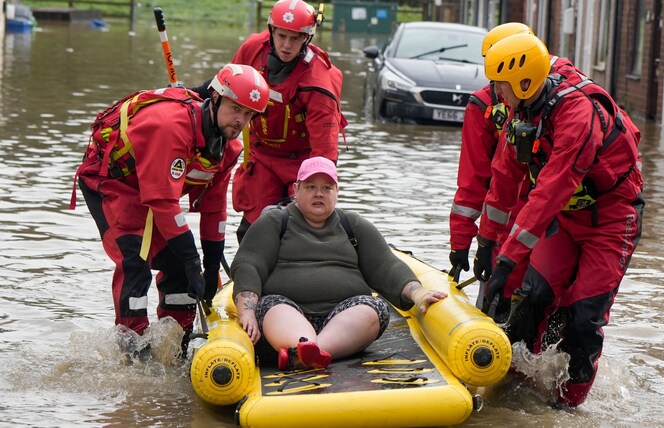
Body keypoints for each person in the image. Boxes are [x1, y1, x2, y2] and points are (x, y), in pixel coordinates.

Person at [475, 33, 643, 408]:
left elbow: (551, 188)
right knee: (532, 297)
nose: (495, 91)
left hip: (612, 217)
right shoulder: (523, 110)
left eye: (500, 84)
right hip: (566, 219)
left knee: (584, 318)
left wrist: (509, 258)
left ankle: (566, 407)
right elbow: (503, 178)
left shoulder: (576, 114)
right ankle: (513, 389)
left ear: (523, 81)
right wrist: (487, 244)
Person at [73, 64, 270, 357]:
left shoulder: (226, 148)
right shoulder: (172, 127)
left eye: (249, 114)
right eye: (235, 109)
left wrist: (210, 265)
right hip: (112, 183)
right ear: (215, 98)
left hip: (154, 190)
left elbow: (214, 208)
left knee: (179, 267)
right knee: (135, 259)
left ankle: (178, 342)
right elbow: (163, 202)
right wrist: (193, 259)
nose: (240, 121)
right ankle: (132, 346)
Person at [231, 156, 447, 370]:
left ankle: (306, 355)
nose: (318, 193)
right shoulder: (274, 223)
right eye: (310, 187)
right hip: (285, 314)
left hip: (341, 319)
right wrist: (247, 312)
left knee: (373, 308)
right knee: (274, 306)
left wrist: (418, 293)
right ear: (296, 190)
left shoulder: (353, 225)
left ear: (337, 192)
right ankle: (305, 349)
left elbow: (387, 266)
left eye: (326, 187)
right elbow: (249, 264)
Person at [449, 22, 591, 323]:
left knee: (556, 297)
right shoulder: (483, 106)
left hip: (554, 205)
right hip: (514, 210)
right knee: (503, 289)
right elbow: (474, 181)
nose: (501, 90)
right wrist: (464, 244)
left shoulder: (563, 101)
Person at [193, 0, 347, 243]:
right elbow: (224, 87)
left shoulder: (318, 84)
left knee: (297, 228)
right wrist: (186, 95)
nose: (286, 45)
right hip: (262, 155)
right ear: (271, 31)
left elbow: (324, 153)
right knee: (250, 231)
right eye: (281, 36)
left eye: (294, 38)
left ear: (307, 38)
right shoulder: (254, 48)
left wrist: (316, 192)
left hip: (303, 162)